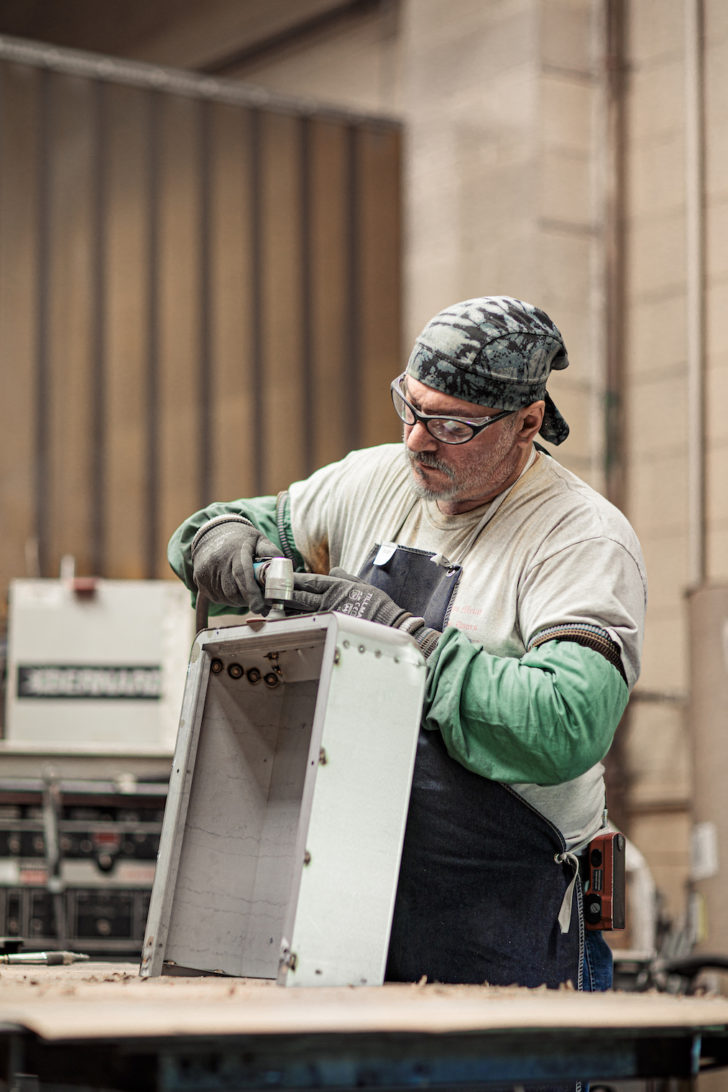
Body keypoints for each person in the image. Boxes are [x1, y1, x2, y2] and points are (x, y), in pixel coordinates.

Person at [168, 295, 647, 994]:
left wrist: (401, 641)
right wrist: (220, 540)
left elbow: (565, 723)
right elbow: (231, 521)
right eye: (412, 408)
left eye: (453, 424)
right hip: (354, 911)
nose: (420, 441)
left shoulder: (579, 539)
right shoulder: (373, 480)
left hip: (506, 921)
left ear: (527, 423)